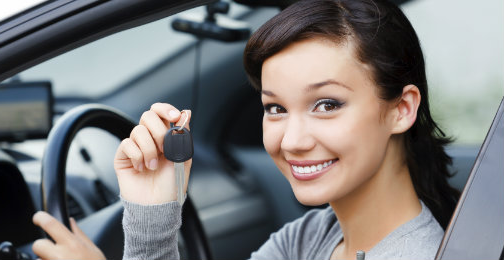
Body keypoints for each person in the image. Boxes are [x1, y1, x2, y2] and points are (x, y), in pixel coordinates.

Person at [31, 0, 460, 259]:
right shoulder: (313, 236)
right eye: (275, 108)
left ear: (401, 109)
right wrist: (152, 212)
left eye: (326, 105)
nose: (291, 140)